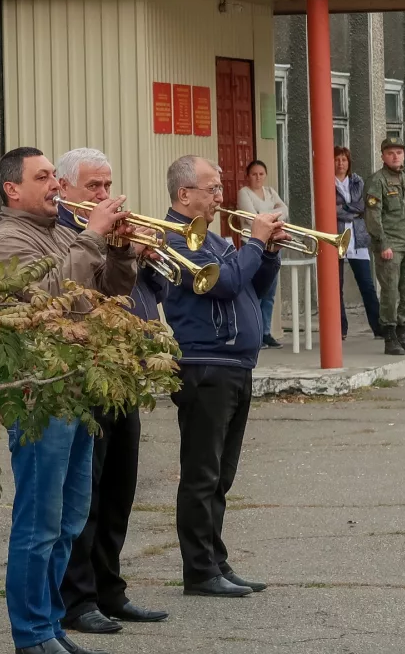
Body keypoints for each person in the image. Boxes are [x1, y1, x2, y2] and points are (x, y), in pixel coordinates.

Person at [0, 147, 137, 654]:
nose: (54, 184)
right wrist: (93, 235)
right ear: (13, 189)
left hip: (77, 389)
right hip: (38, 396)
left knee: (70, 520)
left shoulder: (63, 232)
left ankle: (50, 626)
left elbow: (108, 297)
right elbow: (52, 295)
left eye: (54, 175)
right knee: (38, 522)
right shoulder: (7, 241)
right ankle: (30, 634)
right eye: (43, 176)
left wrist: (118, 250)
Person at [52, 148, 169, 636]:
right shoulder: (59, 234)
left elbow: (119, 294)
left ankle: (110, 589)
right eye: (93, 187)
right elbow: (71, 295)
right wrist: (97, 237)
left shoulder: (100, 231)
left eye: (107, 186)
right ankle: (77, 600)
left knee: (120, 489)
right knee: (86, 497)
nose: (104, 195)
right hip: (80, 375)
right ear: (63, 188)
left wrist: (125, 251)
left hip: (120, 375)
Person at [158, 155, 277, 601]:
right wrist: (253, 244)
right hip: (205, 366)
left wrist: (269, 252)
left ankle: (216, 560)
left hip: (235, 367)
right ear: (184, 193)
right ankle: (200, 571)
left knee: (221, 476)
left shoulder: (214, 241)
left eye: (220, 187)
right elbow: (225, 285)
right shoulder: (175, 240)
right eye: (212, 188)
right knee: (202, 474)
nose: (220, 196)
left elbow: (253, 288)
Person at [363, 139, 405, 355]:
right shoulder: (377, 181)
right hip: (390, 244)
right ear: (382, 156)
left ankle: (403, 335)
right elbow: (373, 215)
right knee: (390, 293)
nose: (395, 156)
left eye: (399, 152)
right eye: (390, 153)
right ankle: (390, 338)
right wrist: (382, 243)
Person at [235, 160, 288, 349]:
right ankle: (253, 333)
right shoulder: (244, 193)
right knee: (254, 293)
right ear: (248, 176)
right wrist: (273, 213)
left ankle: (266, 332)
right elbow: (251, 217)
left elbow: (285, 211)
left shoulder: (271, 192)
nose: (258, 177)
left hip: (272, 246)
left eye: (261, 174)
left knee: (270, 294)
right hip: (253, 246)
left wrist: (264, 214)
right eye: (254, 174)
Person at [332, 147, 382, 339]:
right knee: (337, 287)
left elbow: (362, 206)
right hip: (336, 236)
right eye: (337, 160)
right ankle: (340, 329)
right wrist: (349, 209)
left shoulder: (357, 181)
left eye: (344, 160)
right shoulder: (327, 181)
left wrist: (343, 208)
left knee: (367, 285)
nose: (341, 163)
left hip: (357, 236)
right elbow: (330, 209)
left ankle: (378, 327)